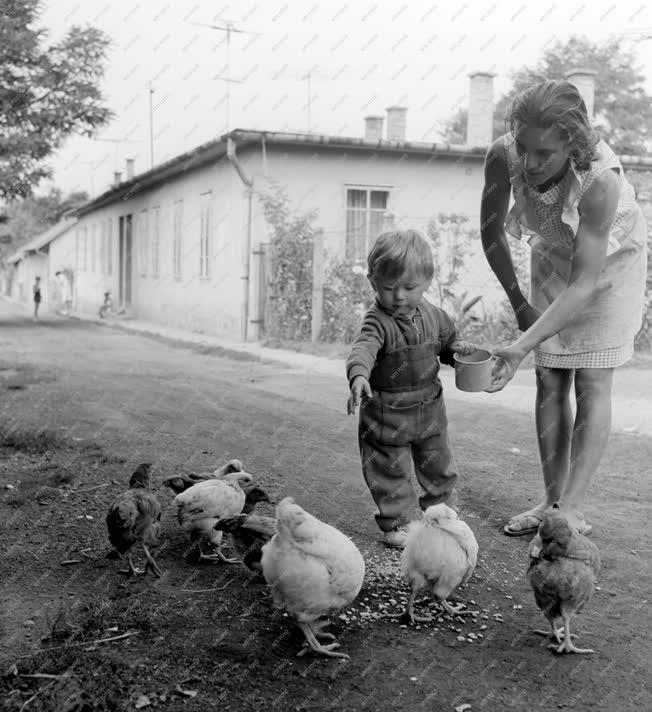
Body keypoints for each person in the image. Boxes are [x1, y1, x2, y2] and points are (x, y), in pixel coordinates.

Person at [480, 80, 648, 538]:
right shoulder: (503, 155)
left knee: (592, 380)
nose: (530, 163)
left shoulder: (600, 181)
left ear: (572, 145)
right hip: (555, 256)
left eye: (545, 154)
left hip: (609, 270)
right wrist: (519, 308)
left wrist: (518, 347)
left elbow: (584, 284)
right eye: (523, 147)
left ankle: (570, 510)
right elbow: (492, 234)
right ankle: (551, 500)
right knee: (549, 375)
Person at [346, 230, 479, 549]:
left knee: (439, 463)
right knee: (388, 470)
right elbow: (363, 349)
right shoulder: (377, 322)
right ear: (372, 281)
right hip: (385, 415)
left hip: (429, 410)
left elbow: (447, 345)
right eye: (390, 288)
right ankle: (398, 522)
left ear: (427, 282)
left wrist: (459, 353)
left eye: (410, 288)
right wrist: (358, 376)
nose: (400, 296)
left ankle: (442, 511)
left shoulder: (435, 316)